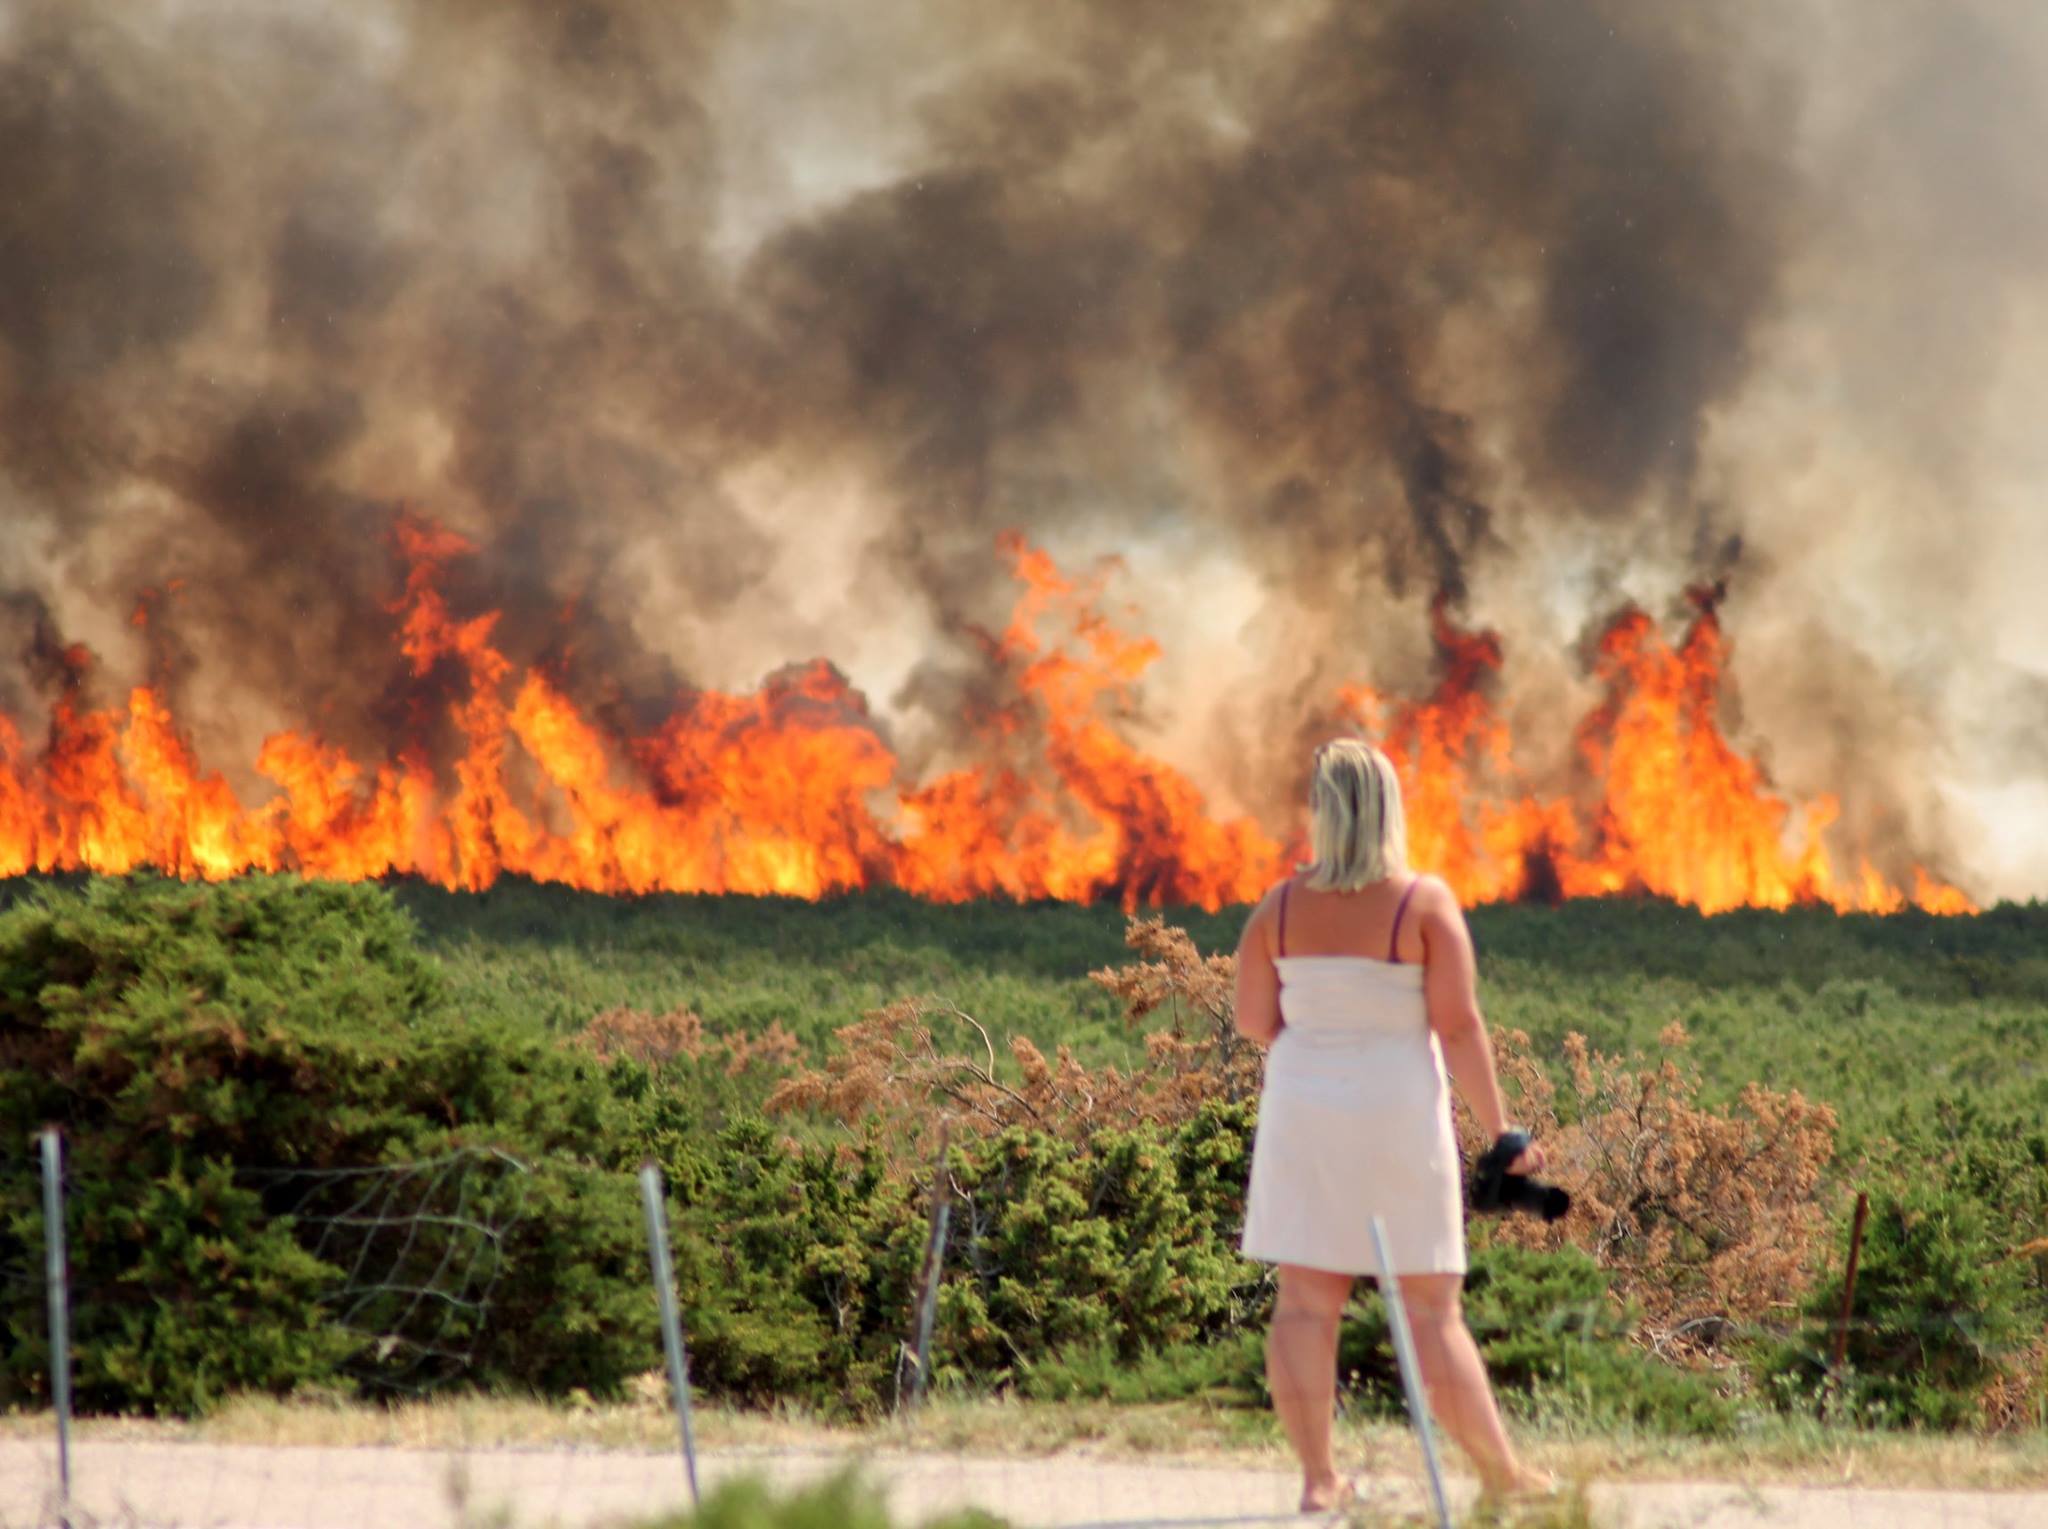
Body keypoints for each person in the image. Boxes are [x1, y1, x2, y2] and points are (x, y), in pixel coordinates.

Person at [1235, 738, 1552, 1509]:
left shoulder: (1276, 908)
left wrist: (1321, 1045)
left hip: (1303, 1110)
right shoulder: (1423, 904)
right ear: (1388, 810)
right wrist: (1501, 1129)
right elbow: (1460, 1025)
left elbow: (1253, 1019)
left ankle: (1318, 1479)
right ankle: (1499, 1473)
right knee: (1430, 1308)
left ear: (1322, 811)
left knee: (1307, 1302)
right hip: (1398, 1113)